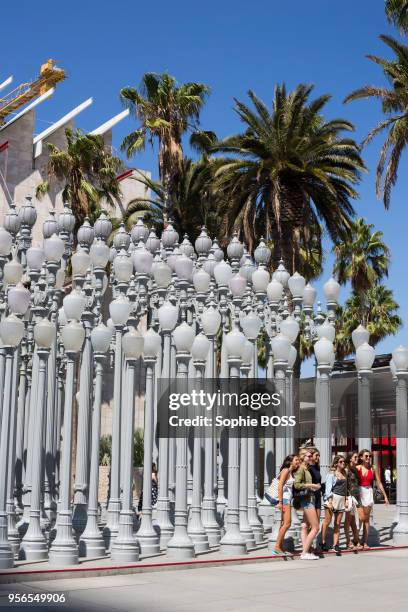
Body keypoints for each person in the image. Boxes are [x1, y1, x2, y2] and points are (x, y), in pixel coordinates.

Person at [357, 449, 389, 549]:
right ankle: (357, 540)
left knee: (366, 519)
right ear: (361, 457)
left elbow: (379, 482)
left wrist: (385, 496)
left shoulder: (373, 468)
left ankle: (365, 541)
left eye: (369, 456)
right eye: (366, 456)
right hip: (359, 492)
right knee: (360, 518)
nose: (368, 458)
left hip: (368, 492)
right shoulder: (358, 468)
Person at [293, 448, 321, 560]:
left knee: (304, 525)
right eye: (308, 456)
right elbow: (297, 485)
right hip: (307, 500)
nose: (310, 458)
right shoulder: (301, 469)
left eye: (310, 456)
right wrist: (312, 486)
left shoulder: (306, 468)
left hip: (310, 498)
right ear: (303, 457)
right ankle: (304, 552)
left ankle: (306, 551)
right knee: (315, 527)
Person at [271, 454, 300, 556]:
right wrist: (280, 502)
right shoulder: (286, 470)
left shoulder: (291, 472)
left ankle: (280, 546)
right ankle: (277, 547)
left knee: (284, 524)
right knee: (287, 523)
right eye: (296, 460)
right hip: (284, 500)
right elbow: (280, 486)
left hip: (287, 500)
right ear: (290, 461)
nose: (298, 461)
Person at [320, 455, 349, 553]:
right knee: (327, 521)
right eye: (341, 462)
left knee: (337, 523)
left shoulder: (345, 473)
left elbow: (345, 489)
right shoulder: (331, 474)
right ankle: (322, 541)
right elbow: (328, 489)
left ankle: (335, 544)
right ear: (336, 463)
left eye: (344, 462)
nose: (343, 463)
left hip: (341, 499)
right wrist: (330, 501)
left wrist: (346, 499)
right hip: (332, 498)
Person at [344, 451, 363, 550]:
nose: (357, 459)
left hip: (357, 496)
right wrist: (346, 498)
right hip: (350, 496)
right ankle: (349, 541)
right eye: (355, 457)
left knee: (360, 518)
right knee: (348, 520)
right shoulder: (346, 470)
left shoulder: (356, 469)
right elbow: (345, 484)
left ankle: (356, 538)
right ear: (350, 458)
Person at [308, 448, 323, 522]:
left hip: (318, 496)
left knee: (317, 521)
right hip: (310, 496)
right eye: (316, 455)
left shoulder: (317, 467)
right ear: (311, 456)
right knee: (311, 523)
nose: (318, 457)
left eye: (319, 455)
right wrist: (314, 486)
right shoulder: (308, 468)